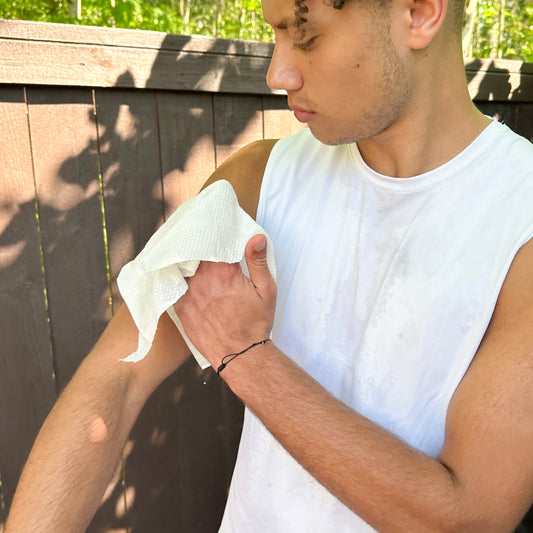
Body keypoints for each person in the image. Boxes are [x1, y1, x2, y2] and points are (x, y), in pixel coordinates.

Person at [6, 0, 533, 531]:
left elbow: (467, 518)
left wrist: (247, 359)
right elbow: (116, 377)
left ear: (419, 13)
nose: (277, 73)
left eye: (304, 36)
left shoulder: (520, 215)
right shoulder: (258, 181)